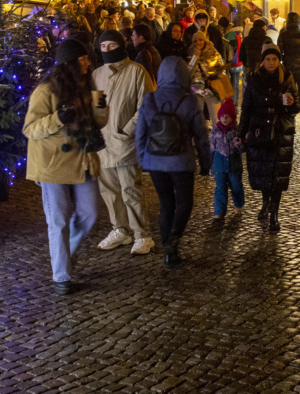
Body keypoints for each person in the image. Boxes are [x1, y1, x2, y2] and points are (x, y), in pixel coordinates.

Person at [23, 39, 109, 295]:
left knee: (89, 213)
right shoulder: (46, 91)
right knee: (58, 220)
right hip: (52, 165)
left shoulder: (90, 88)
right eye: (82, 59)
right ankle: (61, 275)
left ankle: (65, 255)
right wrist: (58, 118)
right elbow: (30, 128)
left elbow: (102, 120)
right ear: (70, 62)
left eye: (87, 58)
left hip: (82, 160)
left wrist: (97, 95)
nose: (88, 63)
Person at [135, 56, 212, 268]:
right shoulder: (189, 100)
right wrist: (206, 163)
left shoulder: (149, 99)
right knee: (185, 202)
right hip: (181, 161)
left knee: (166, 204)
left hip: (155, 162)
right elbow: (201, 136)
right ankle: (174, 240)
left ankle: (169, 253)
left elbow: (140, 134)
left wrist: (143, 160)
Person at [92, 30, 157, 256]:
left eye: (112, 45)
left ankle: (142, 234)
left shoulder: (136, 72)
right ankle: (120, 229)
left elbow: (147, 106)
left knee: (131, 189)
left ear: (121, 45)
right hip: (104, 144)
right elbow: (97, 107)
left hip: (124, 143)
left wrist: (127, 130)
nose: (108, 50)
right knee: (109, 192)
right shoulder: (98, 75)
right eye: (104, 46)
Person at [239, 43, 299, 232]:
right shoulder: (253, 80)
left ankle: (274, 213)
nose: (272, 63)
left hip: (281, 132)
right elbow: (246, 108)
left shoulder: (287, 78)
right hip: (260, 133)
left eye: (274, 59)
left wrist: (289, 104)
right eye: (268, 59)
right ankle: (265, 202)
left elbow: (297, 107)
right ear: (262, 61)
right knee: (264, 174)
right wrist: (241, 134)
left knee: (278, 176)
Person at [210, 98, 245, 220]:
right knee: (220, 188)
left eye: (228, 116)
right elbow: (212, 148)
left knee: (236, 186)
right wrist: (211, 165)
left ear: (232, 118)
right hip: (219, 165)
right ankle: (219, 212)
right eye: (223, 116)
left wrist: (239, 144)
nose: (225, 118)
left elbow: (242, 149)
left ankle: (239, 205)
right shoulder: (215, 131)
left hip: (234, 166)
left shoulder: (236, 131)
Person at [186, 30, 230, 123]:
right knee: (196, 119)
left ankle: (217, 137)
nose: (198, 42)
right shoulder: (190, 53)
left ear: (205, 40)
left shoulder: (213, 52)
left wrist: (216, 76)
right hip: (196, 89)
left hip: (211, 89)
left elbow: (221, 69)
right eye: (195, 41)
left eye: (200, 40)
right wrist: (195, 56)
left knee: (216, 119)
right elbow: (188, 72)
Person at [222, 15, 246, 107]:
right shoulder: (237, 34)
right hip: (238, 62)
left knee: (232, 85)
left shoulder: (230, 34)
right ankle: (234, 104)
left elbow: (232, 50)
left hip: (233, 63)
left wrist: (230, 62)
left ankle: (233, 104)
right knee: (235, 84)